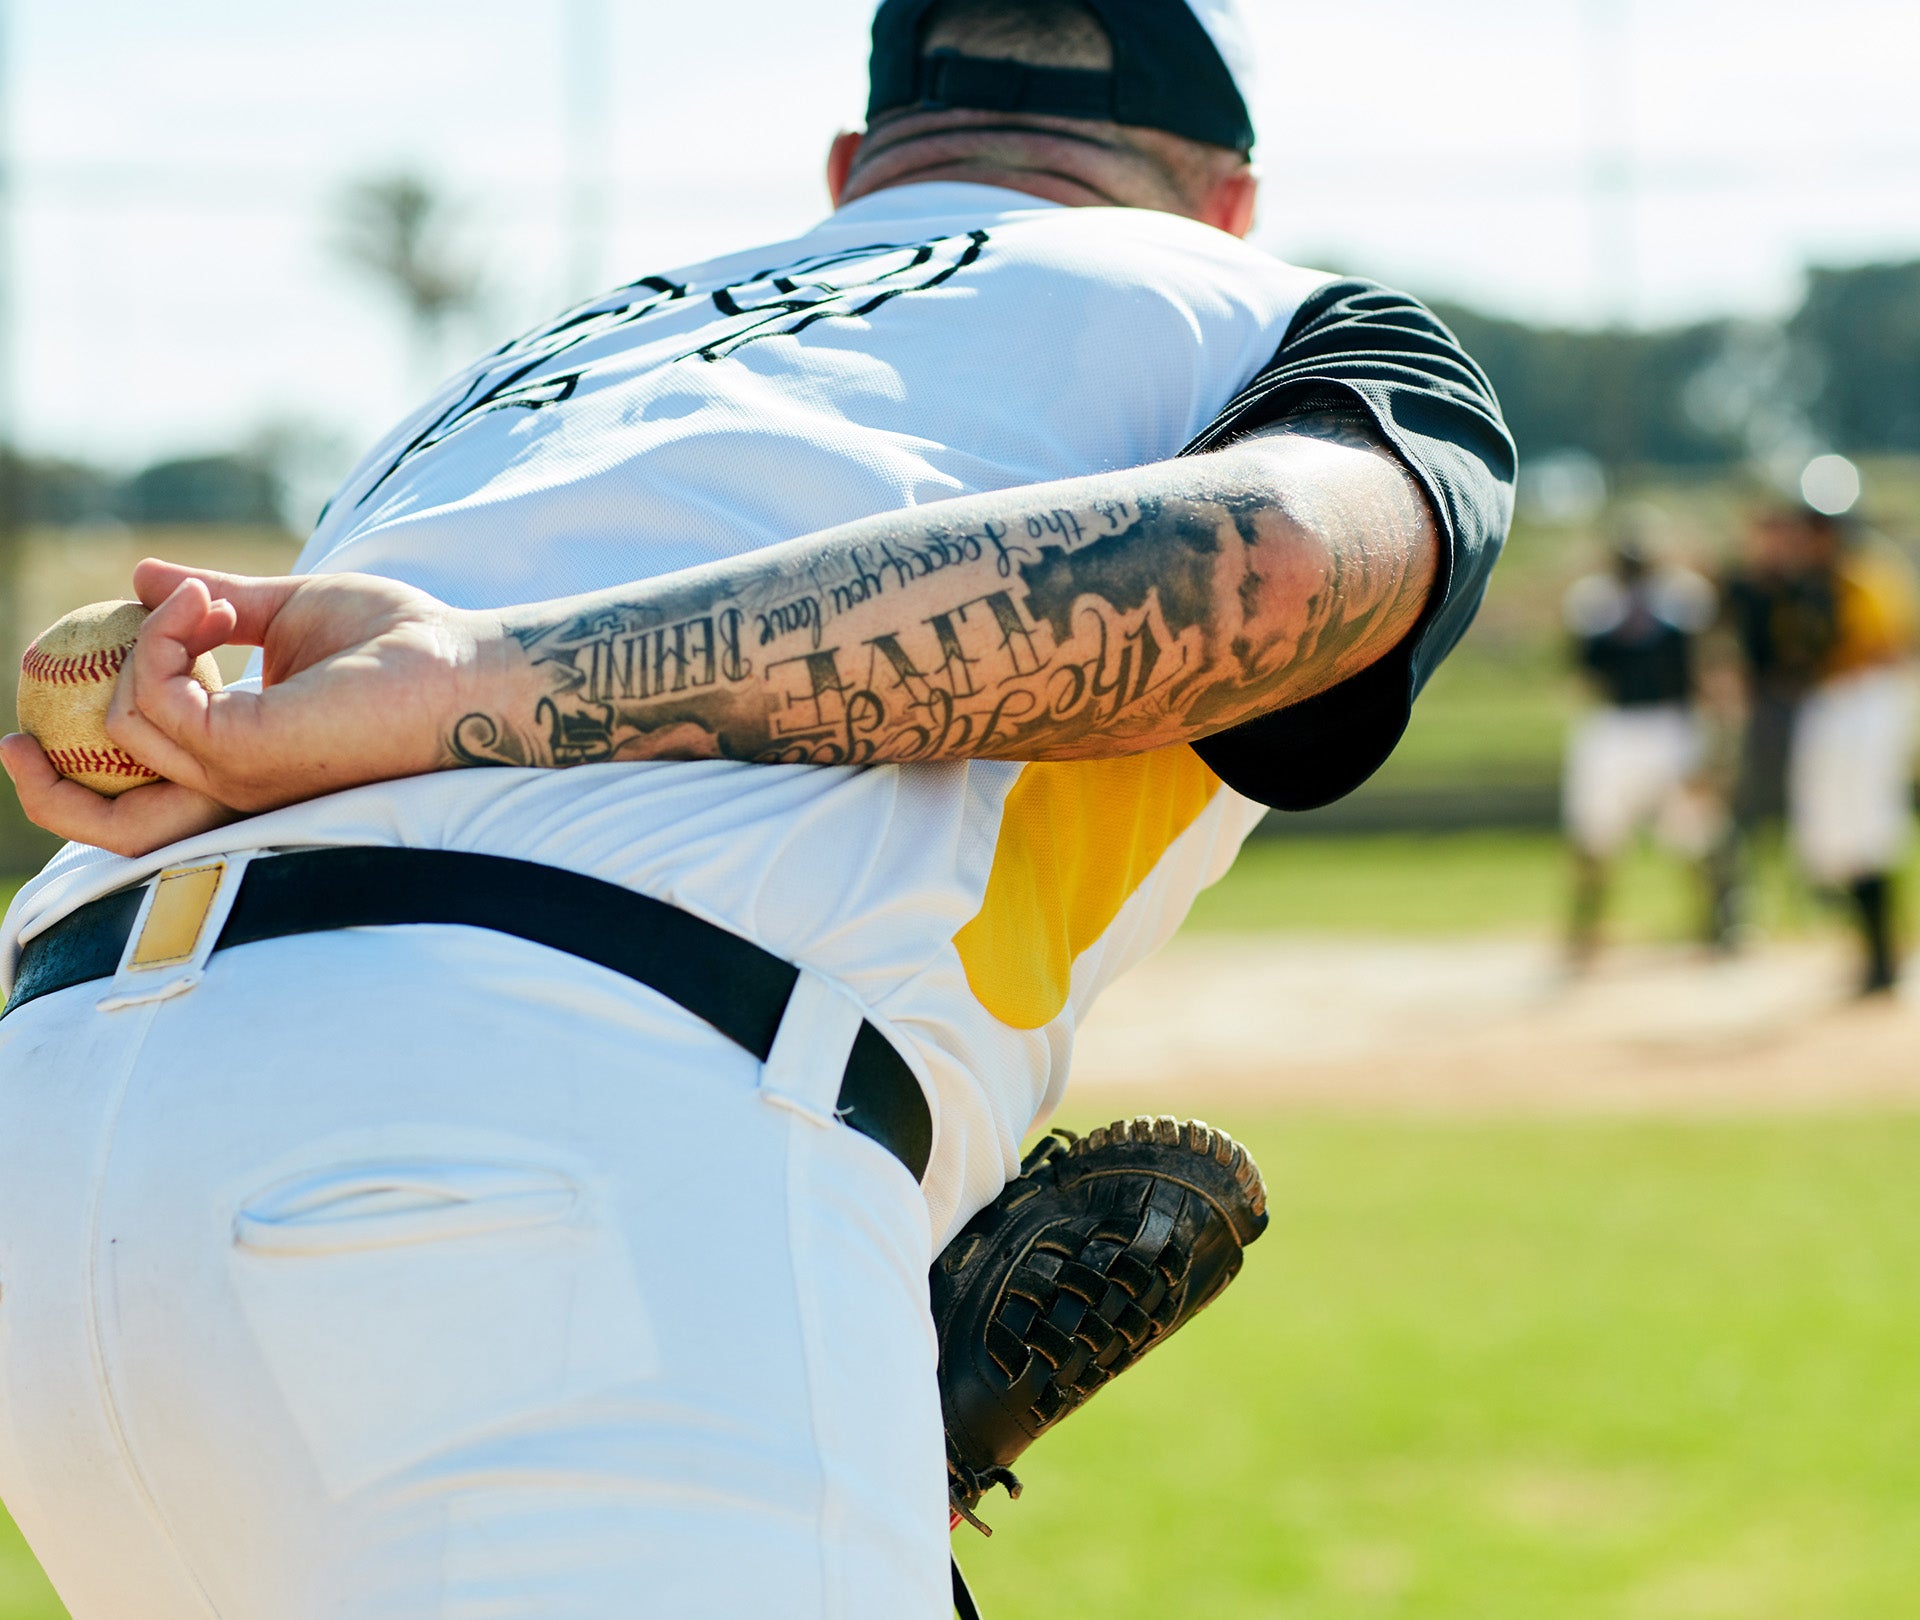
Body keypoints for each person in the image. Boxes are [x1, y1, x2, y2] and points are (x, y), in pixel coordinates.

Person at [0, 2, 1512, 1616]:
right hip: (550, 1152)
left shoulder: (549, 357)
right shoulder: (1264, 306)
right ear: (1226, 198)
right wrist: (479, 678)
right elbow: (1276, 574)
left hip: (57, 1139)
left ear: (856, 170)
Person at [1560, 534, 1718, 964]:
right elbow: (1585, 668)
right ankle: (1585, 929)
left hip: (1671, 722)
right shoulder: (1595, 602)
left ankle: (1718, 924)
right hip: (1615, 724)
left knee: (1695, 829)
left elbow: (1700, 663)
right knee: (1595, 831)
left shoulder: (1682, 599)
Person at [1787, 508, 1919, 993]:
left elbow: (1881, 649)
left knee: (1869, 830)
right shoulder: (1809, 584)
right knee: (1835, 835)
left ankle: (1884, 956)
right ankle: (1872, 952)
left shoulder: (1867, 577)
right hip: (1834, 705)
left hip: (1866, 705)